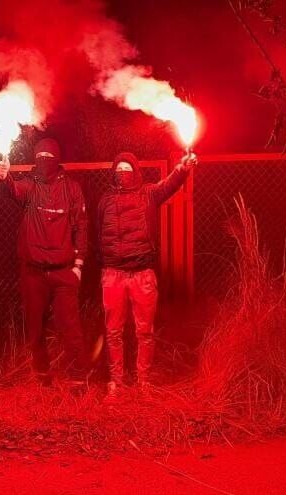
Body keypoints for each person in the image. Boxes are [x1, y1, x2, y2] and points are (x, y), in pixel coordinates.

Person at [98, 151, 197, 397]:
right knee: (113, 331)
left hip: (142, 273)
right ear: (113, 173)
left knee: (145, 331)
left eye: (127, 169)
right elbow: (98, 231)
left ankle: (144, 381)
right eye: (118, 169)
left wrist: (182, 169)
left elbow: (170, 184)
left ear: (135, 171)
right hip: (113, 274)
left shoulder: (149, 194)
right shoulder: (105, 200)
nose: (122, 173)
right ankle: (116, 382)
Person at [0, 138, 89, 386]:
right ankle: (42, 375)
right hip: (34, 273)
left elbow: (81, 226)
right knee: (35, 328)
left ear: (57, 159)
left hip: (63, 271)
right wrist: (5, 177)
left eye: (49, 156)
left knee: (70, 328)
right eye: (40, 156)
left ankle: (78, 378)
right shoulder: (30, 185)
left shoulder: (71, 188)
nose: (44, 160)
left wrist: (78, 264)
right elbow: (13, 190)